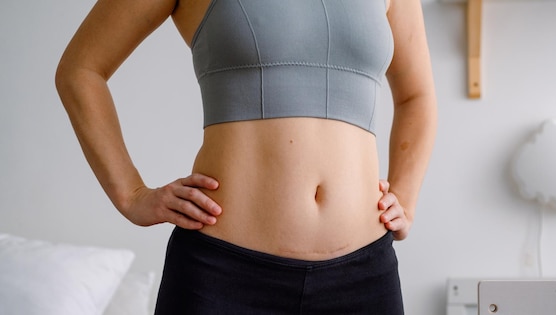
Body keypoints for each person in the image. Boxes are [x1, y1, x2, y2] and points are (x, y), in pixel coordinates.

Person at [56, 0, 436, 313]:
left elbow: (416, 97)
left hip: (363, 277)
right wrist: (131, 195)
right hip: (223, 276)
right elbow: (81, 70)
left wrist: (406, 199)